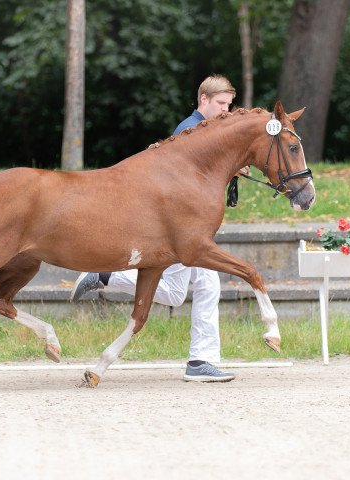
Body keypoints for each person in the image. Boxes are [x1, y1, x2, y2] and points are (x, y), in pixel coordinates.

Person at [71, 74, 244, 383]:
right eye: (221, 104)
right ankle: (201, 361)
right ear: (203, 100)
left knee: (177, 294)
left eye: (229, 105)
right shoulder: (190, 131)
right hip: (180, 231)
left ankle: (105, 276)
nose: (226, 111)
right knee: (207, 284)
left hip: (182, 230)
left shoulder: (200, 130)